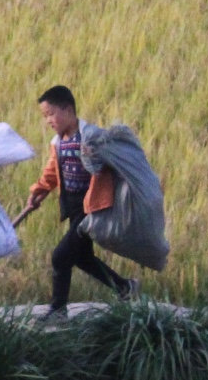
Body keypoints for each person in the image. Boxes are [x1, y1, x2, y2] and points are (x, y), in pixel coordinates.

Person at [20, 85, 138, 318]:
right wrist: (39, 190)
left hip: (92, 208)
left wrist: (96, 157)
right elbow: (53, 171)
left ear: (68, 109)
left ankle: (58, 309)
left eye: (51, 114)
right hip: (73, 206)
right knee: (82, 257)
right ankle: (125, 287)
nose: (48, 121)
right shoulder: (58, 142)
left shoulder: (92, 136)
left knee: (61, 256)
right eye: (45, 116)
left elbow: (114, 165)